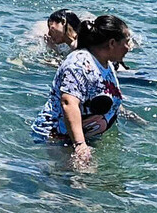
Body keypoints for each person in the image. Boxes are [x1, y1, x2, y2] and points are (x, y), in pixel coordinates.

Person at [33, 14, 132, 164]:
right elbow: (69, 103)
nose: (129, 47)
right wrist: (80, 146)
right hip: (58, 139)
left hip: (83, 138)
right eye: (127, 42)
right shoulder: (79, 64)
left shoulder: (106, 64)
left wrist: (132, 118)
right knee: (77, 182)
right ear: (112, 43)